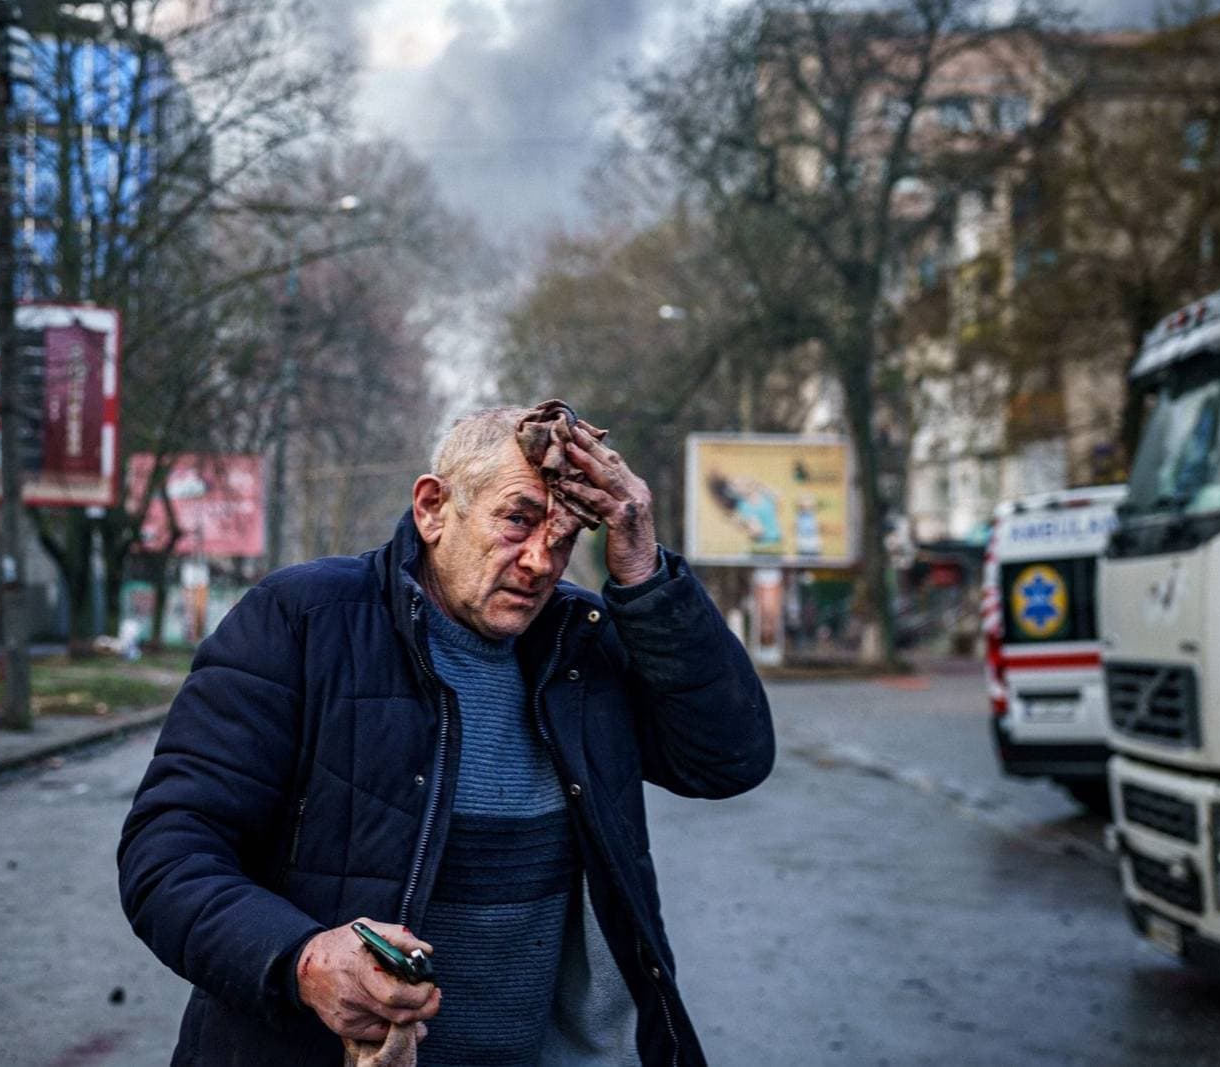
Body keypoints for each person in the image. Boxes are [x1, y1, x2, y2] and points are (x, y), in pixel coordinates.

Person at [118, 405, 775, 1066]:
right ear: (433, 508)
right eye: (517, 518)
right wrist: (303, 958)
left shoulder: (586, 645)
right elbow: (169, 851)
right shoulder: (302, 620)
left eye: (567, 532)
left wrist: (644, 569)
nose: (541, 560)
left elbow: (728, 758)